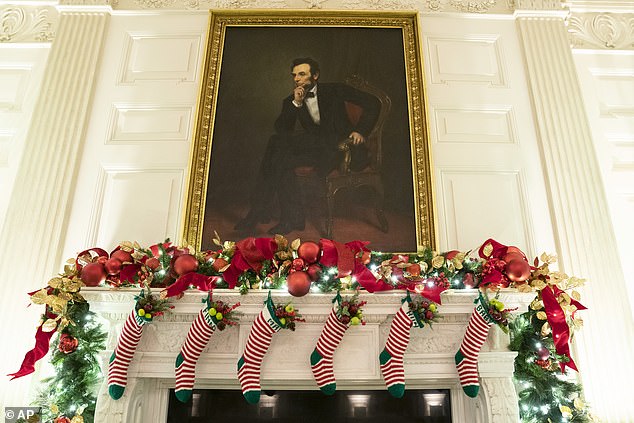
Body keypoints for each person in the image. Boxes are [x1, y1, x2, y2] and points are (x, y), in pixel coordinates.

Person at [235, 57, 381, 235]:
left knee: (279, 157)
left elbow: (373, 103)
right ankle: (288, 218)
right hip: (317, 147)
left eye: (302, 74)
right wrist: (296, 104)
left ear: (316, 75)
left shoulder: (335, 90)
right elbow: (282, 130)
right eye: (294, 75)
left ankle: (264, 213)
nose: (297, 79)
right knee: (277, 145)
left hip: (341, 148)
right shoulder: (292, 99)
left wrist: (360, 131)